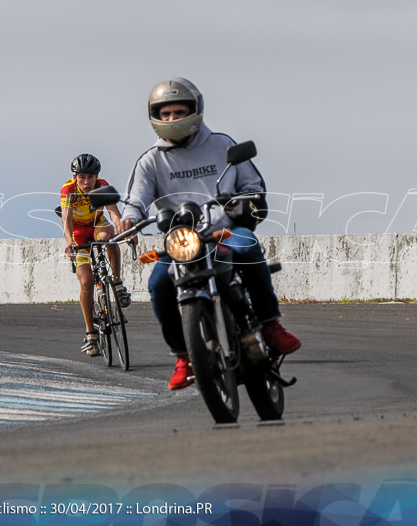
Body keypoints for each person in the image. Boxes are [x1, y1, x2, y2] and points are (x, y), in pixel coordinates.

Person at [115, 78, 301, 390]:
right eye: (166, 114)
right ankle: (184, 357)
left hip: (225, 231)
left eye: (178, 111)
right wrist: (128, 221)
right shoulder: (151, 161)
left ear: (195, 110)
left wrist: (244, 203)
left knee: (250, 248)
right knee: (159, 283)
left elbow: (252, 186)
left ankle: (270, 325)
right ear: (155, 117)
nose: (172, 118)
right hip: (183, 242)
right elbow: (136, 200)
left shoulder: (222, 144)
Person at [61, 153, 132, 357]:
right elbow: (66, 221)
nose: (86, 182)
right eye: (82, 177)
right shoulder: (68, 190)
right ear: (75, 177)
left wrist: (123, 230)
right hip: (78, 234)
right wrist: (69, 243)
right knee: (86, 282)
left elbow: (113, 213)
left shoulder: (102, 186)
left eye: (90, 177)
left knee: (108, 236)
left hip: (96, 225)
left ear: (96, 177)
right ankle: (91, 334)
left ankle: (117, 284)